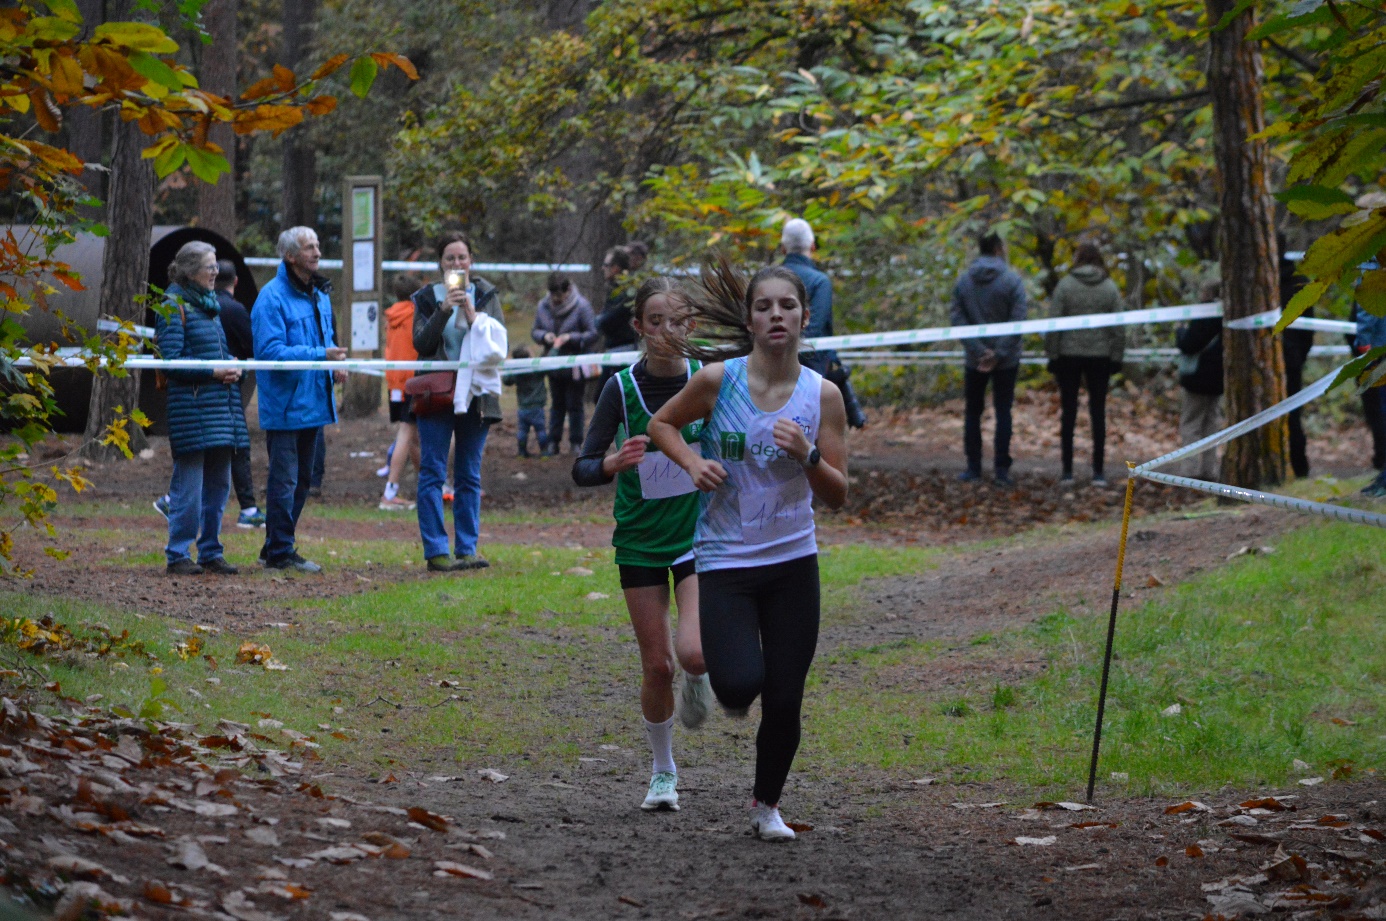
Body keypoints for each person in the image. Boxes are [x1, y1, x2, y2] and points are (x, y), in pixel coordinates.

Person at [648, 257, 849, 842]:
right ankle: (709, 679)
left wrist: (808, 455)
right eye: (765, 307)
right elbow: (662, 425)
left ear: (805, 317)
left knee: (785, 698)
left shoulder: (823, 395)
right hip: (727, 561)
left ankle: (767, 807)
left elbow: (838, 494)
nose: (777, 315)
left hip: (793, 562)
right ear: (751, 320)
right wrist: (692, 462)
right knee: (739, 686)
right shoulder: (719, 381)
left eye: (787, 305)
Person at [572, 277, 717, 812]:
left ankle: (699, 677)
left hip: (699, 536)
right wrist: (611, 462)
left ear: (691, 327)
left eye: (677, 321)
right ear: (638, 327)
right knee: (658, 666)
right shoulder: (620, 388)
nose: (665, 332)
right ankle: (663, 772)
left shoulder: (707, 384)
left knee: (694, 653)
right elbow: (582, 467)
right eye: (655, 322)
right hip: (639, 541)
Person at [251, 226, 347, 573]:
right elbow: (270, 351)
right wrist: (322, 354)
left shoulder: (320, 294)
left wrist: (334, 365)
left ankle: (274, 545)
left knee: (303, 481)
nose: (317, 252)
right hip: (285, 406)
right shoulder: (271, 298)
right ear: (290, 256)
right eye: (309, 247)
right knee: (284, 481)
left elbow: (327, 338)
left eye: (318, 245)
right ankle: (279, 552)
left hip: (315, 404)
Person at [412, 231, 506, 572]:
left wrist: (471, 312)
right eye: (450, 258)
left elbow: (498, 341)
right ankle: (437, 551)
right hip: (436, 394)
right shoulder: (424, 298)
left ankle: (467, 548)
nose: (456, 263)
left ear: (471, 261)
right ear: (440, 263)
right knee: (432, 471)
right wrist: (441, 312)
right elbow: (421, 343)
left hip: (476, 395)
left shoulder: (486, 294)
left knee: (469, 474)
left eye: (462, 257)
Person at [156, 241, 250, 576]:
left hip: (221, 409)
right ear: (190, 270)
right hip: (192, 410)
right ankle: (178, 553)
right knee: (190, 489)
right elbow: (172, 362)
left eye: (215, 267)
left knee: (218, 487)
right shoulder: (171, 305)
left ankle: (211, 550)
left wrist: (231, 365)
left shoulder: (210, 306)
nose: (215, 273)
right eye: (209, 267)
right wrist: (213, 371)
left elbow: (213, 353)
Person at [1044, 242, 1125, 486]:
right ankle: (1098, 472)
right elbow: (1119, 327)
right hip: (1100, 356)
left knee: (1068, 413)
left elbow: (1053, 322)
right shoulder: (1109, 287)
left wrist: (1052, 354)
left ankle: (1067, 471)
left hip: (1068, 355)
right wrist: (1116, 356)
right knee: (1097, 413)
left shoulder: (1065, 285)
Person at [951, 231, 1028, 486]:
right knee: (1003, 411)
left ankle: (973, 468)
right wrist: (999, 354)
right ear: (998, 248)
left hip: (975, 360)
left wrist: (977, 351)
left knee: (973, 412)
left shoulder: (963, 281)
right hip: (1006, 361)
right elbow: (1018, 321)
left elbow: (957, 319)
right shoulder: (1012, 281)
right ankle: (1002, 470)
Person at [779, 218, 866, 428]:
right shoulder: (819, 282)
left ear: (783, 248)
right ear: (813, 246)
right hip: (813, 368)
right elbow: (816, 329)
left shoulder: (767, 280)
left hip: (772, 364)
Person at [211, 259, 264, 528]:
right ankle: (249, 510)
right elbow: (254, 347)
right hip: (225, 390)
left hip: (211, 389)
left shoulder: (204, 308)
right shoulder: (234, 309)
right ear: (236, 282)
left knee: (218, 447)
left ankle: (249, 509)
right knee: (237, 447)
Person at [532, 271, 598, 455]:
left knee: (575, 404)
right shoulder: (543, 306)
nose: (556, 299)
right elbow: (535, 331)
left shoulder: (582, 306)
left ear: (568, 290)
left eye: (559, 295)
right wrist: (545, 336)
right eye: (553, 295)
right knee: (556, 405)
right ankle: (554, 441)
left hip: (576, 365)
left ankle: (576, 442)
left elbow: (592, 334)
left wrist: (571, 338)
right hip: (553, 364)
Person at [1175, 279, 1225, 481]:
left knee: (1191, 423)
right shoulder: (1229, 314)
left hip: (1197, 377)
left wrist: (1180, 331)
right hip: (1218, 378)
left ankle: (1190, 470)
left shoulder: (1204, 314)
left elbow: (1189, 344)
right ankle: (1210, 469)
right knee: (1211, 423)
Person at [380, 274, 421, 511]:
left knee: (412, 436)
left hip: (394, 383)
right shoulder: (415, 314)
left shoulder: (391, 316)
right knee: (406, 432)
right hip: (410, 382)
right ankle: (390, 491)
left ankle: (428, 483)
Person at [1279, 236, 1314, 479]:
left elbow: (1308, 326)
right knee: (1292, 415)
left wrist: (1298, 355)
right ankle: (1294, 466)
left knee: (1292, 416)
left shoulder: (1298, 283)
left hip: (1290, 359)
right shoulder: (1299, 282)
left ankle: (1297, 466)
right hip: (1291, 358)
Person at [597, 246, 638, 393]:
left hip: (624, 351)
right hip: (613, 348)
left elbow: (611, 319)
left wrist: (597, 322)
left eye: (606, 265)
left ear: (616, 268)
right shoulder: (613, 290)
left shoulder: (627, 292)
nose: (603, 268)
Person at [509, 346, 548, 457]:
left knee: (522, 431)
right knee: (541, 430)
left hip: (523, 407)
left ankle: (521, 452)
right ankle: (544, 452)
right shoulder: (536, 369)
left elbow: (507, 380)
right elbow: (548, 364)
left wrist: (511, 366)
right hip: (537, 407)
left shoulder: (517, 370)